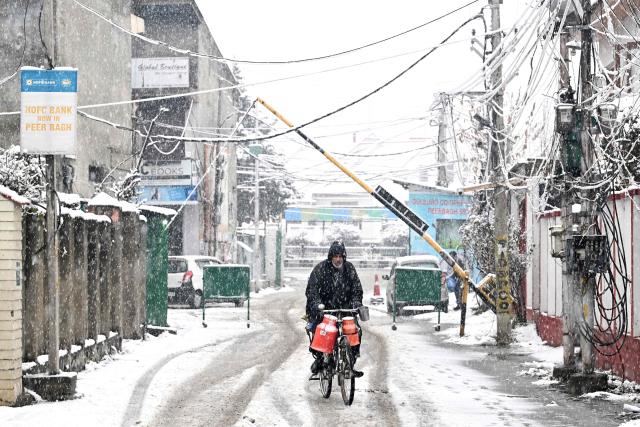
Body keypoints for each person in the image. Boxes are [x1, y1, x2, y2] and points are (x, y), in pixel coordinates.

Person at [305, 241, 364, 377]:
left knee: (355, 332)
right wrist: (318, 305)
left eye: (340, 256)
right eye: (335, 256)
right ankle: (320, 360)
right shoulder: (320, 269)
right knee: (321, 331)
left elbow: (357, 288)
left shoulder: (349, 269)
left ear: (344, 257)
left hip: (345, 309)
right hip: (325, 309)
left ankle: (350, 363)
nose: (338, 259)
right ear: (330, 256)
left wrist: (356, 302)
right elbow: (312, 291)